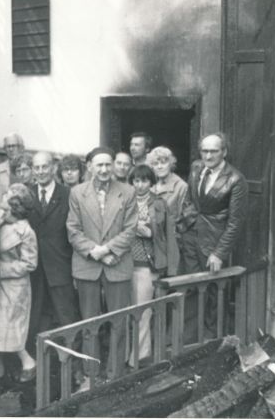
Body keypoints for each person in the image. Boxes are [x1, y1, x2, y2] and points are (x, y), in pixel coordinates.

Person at [66, 147, 137, 380]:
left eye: (109, 164)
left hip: (117, 263)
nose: (105, 169)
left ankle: (115, 374)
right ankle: (91, 374)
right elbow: (73, 229)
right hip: (88, 266)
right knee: (90, 323)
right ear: (90, 167)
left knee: (119, 321)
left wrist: (107, 250)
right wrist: (94, 252)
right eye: (100, 165)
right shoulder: (77, 193)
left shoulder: (127, 192)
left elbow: (131, 229)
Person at [179, 133, 248, 340]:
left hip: (213, 243)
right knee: (189, 289)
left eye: (213, 151)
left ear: (224, 152)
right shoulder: (196, 168)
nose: (208, 156)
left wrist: (219, 253)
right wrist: (183, 227)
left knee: (214, 294)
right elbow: (190, 200)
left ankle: (213, 341)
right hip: (190, 238)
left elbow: (235, 222)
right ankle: (190, 342)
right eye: (204, 151)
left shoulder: (236, 179)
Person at [126, 165, 178, 367]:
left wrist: (149, 232)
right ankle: (128, 354)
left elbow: (166, 235)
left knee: (143, 312)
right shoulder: (124, 201)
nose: (140, 185)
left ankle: (139, 357)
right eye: (136, 181)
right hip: (124, 264)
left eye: (145, 181)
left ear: (151, 182)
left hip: (146, 266)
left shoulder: (158, 203)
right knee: (127, 311)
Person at [27, 152, 80, 350]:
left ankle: (74, 365)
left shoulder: (68, 194)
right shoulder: (26, 193)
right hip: (34, 268)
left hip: (60, 266)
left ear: (53, 168)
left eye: (45, 167)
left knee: (67, 317)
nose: (41, 172)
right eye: (37, 167)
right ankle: (36, 364)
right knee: (35, 317)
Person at [0, 183, 38, 382]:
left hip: (14, 286)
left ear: (15, 205)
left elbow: (30, 264)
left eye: (7, 197)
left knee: (12, 328)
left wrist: (0, 268)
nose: (2, 198)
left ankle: (28, 362)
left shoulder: (25, 231)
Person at [148, 146, 188, 227]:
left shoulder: (181, 186)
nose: (159, 167)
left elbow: (183, 219)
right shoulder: (151, 184)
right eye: (155, 164)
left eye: (163, 163)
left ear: (170, 164)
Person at [0, 133, 25, 203]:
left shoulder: (29, 168)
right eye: (8, 147)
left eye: (14, 146)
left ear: (21, 148)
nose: (11, 149)